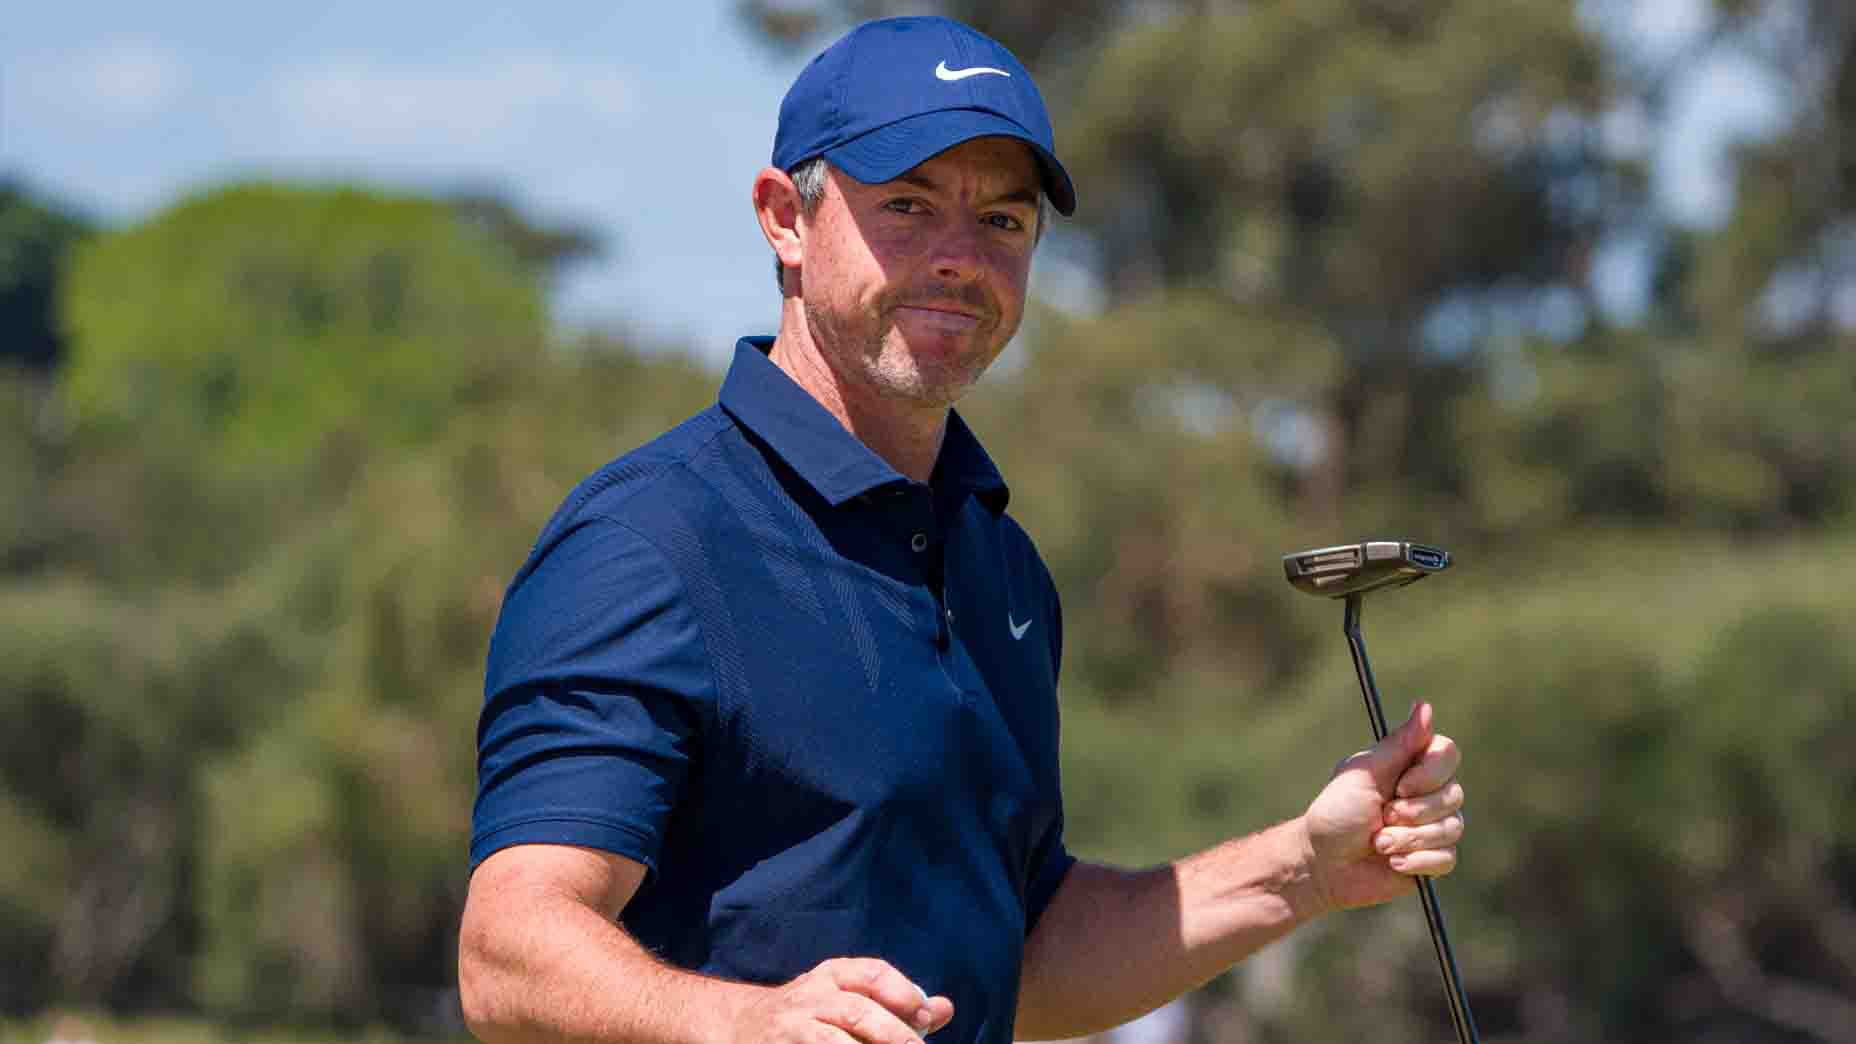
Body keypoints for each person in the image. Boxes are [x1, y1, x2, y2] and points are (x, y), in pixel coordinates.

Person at [458, 16, 1466, 1044]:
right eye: (906, 206)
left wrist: (1303, 866)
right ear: (783, 218)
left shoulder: (1001, 569)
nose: (957, 259)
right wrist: (746, 1024)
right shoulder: (649, 541)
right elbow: (508, 950)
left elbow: (1019, 958)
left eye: (1001, 222)